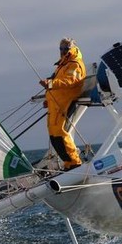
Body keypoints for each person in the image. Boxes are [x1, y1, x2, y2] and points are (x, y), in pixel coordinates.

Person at [39, 37, 86, 170]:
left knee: (60, 132)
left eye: (66, 48)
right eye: (61, 48)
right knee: (54, 135)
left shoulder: (75, 64)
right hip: (55, 103)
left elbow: (70, 81)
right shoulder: (62, 64)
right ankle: (67, 163)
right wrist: (47, 100)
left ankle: (74, 162)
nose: (63, 51)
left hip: (64, 102)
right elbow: (56, 83)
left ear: (72, 49)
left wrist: (50, 83)